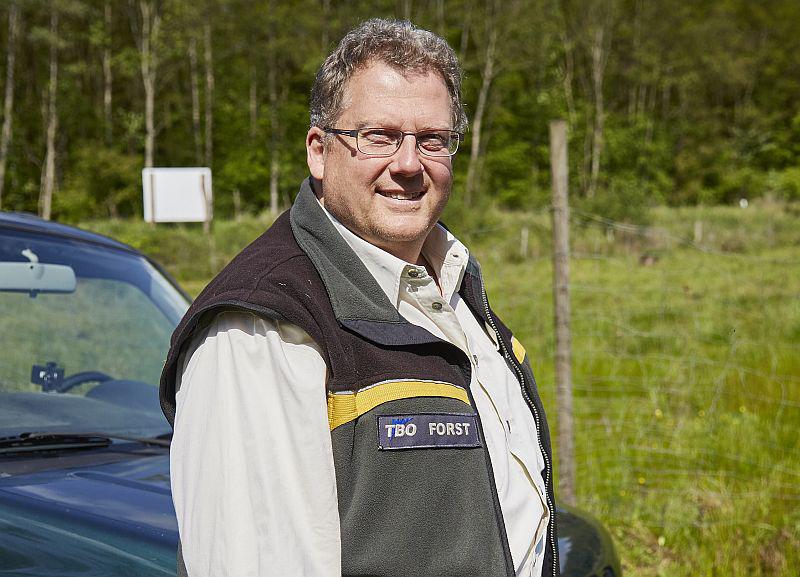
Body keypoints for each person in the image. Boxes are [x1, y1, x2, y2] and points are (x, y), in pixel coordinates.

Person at [160, 18, 559, 577]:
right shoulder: (261, 328)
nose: (408, 164)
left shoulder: (455, 293)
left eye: (433, 140)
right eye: (378, 136)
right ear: (319, 151)